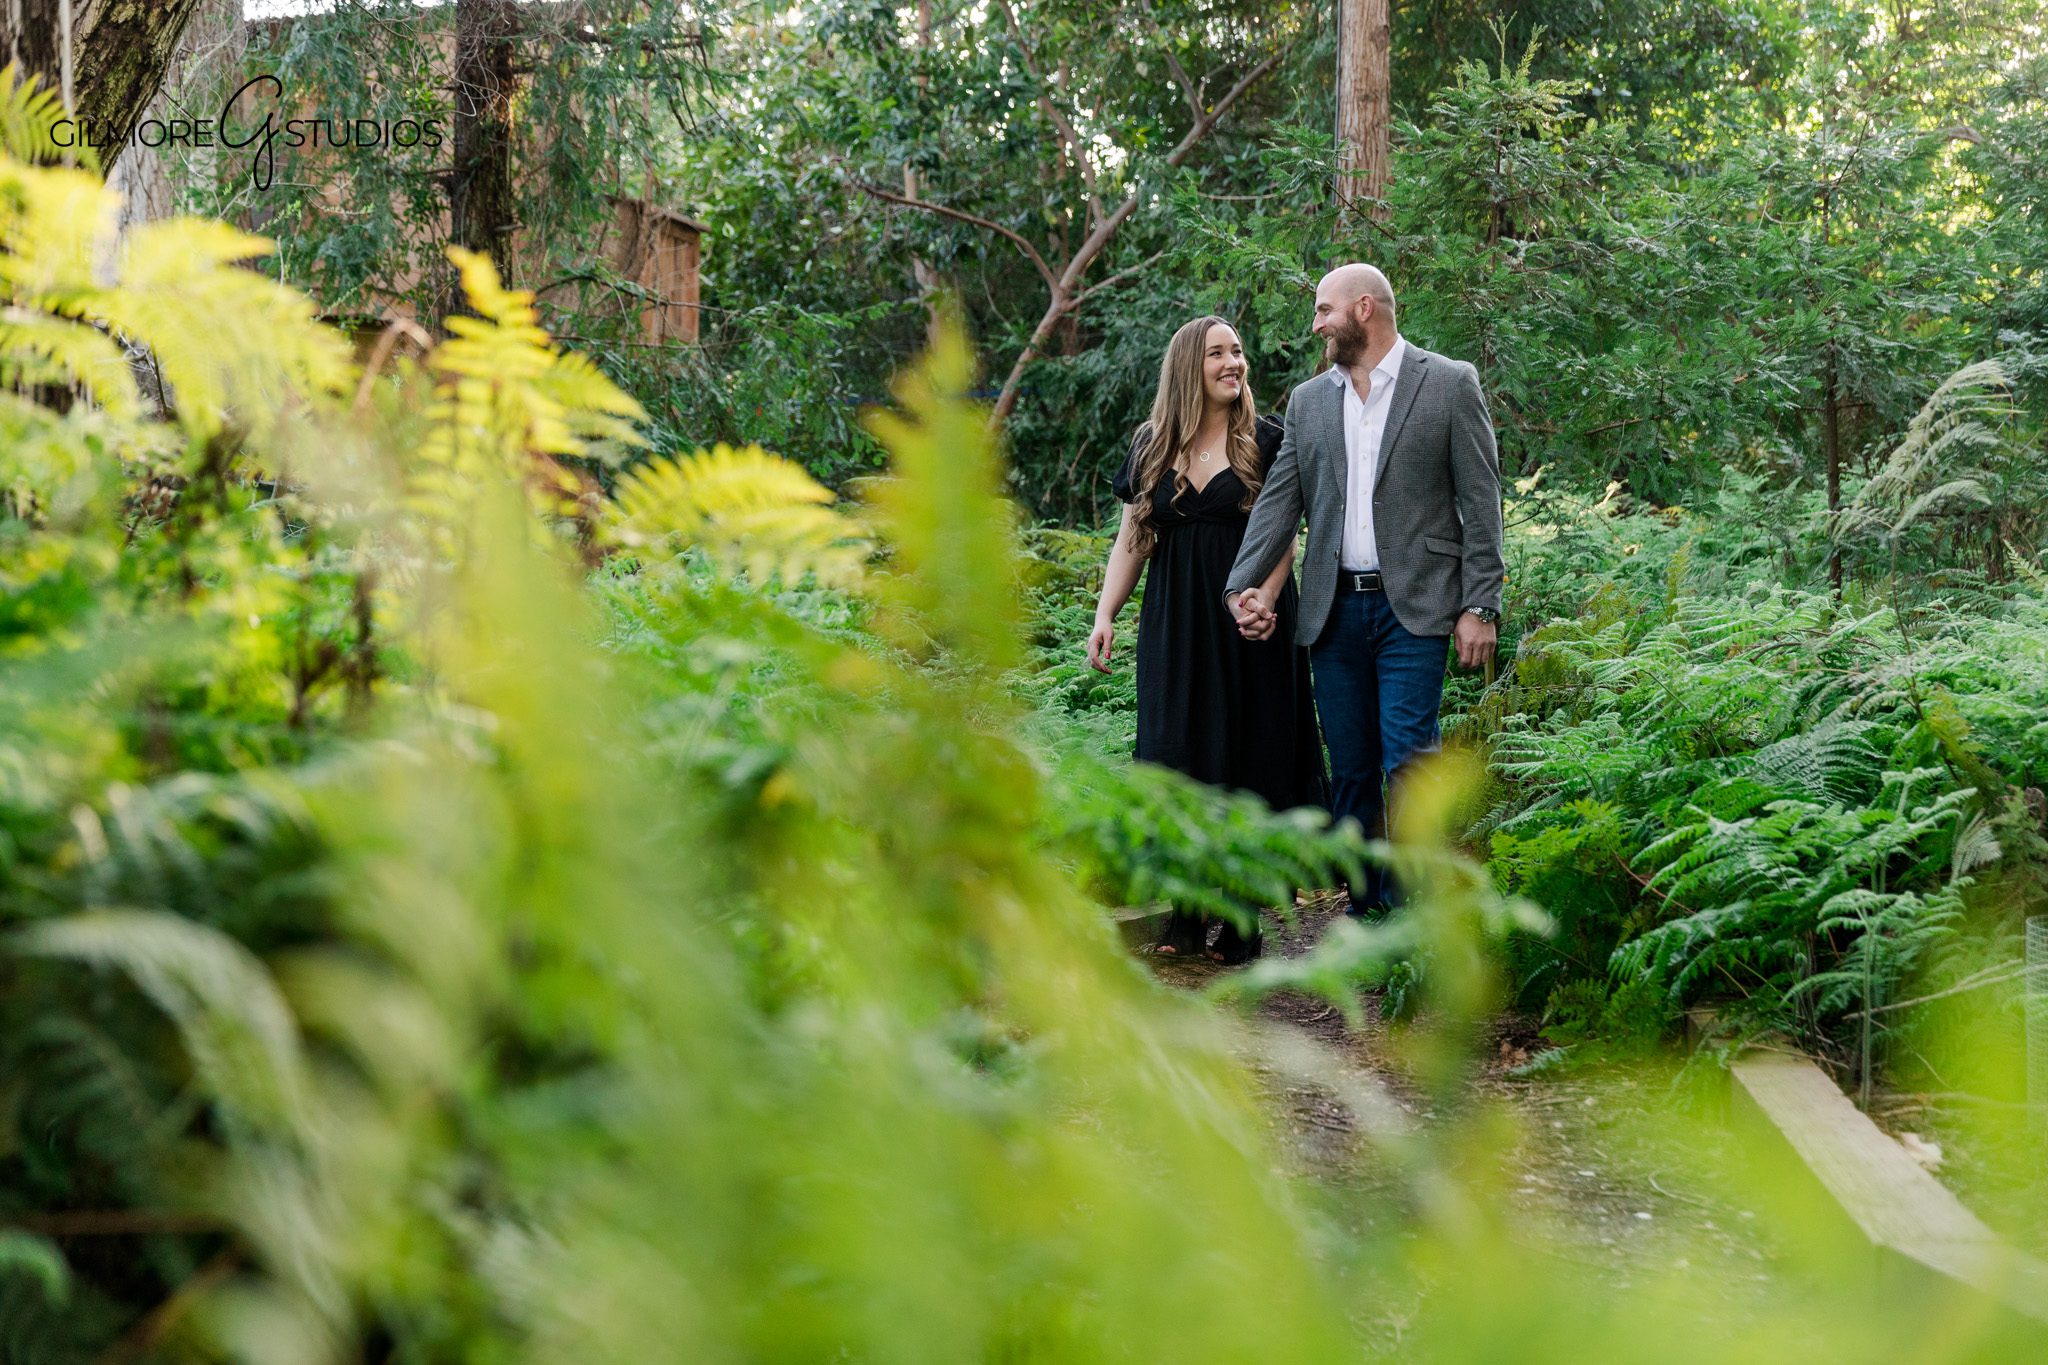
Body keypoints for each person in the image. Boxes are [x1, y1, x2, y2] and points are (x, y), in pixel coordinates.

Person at [1225, 265, 1504, 920]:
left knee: (1408, 759)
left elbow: (1482, 500)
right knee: (1350, 767)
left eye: (1324, 310)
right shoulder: (1308, 402)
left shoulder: (1449, 383)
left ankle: (1410, 915)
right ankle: (1365, 907)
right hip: (1333, 612)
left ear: (1364, 309)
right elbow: (1280, 502)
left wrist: (1480, 603)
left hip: (1417, 608)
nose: (1316, 324)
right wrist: (1242, 584)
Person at [1088, 315, 1327, 963]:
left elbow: (1286, 532)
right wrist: (1106, 614)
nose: (1233, 363)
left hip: (1248, 618)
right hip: (1175, 622)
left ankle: (1244, 917)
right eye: (1217, 353)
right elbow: (1133, 537)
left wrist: (1264, 598)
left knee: (1251, 752)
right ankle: (1187, 912)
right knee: (1177, 752)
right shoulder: (1150, 444)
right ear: (1187, 366)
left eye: (1238, 351)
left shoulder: (1266, 439)